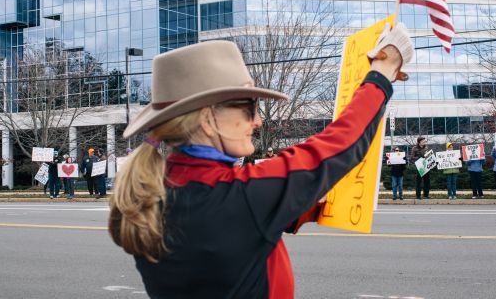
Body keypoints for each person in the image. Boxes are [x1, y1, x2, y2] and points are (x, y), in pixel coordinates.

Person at [108, 24, 413, 297]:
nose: (257, 121)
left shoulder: (149, 195)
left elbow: (224, 237)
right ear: (208, 119)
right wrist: (383, 72)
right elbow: (340, 143)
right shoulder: (239, 198)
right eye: (249, 107)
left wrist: (289, 210)